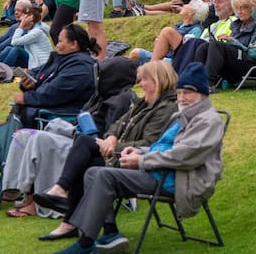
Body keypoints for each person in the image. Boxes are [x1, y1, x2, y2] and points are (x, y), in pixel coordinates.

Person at [51, 62, 224, 254]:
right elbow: (164, 147)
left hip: (179, 180)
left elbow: (184, 156)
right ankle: (109, 233)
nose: (182, 98)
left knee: (103, 174)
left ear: (203, 94)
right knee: (93, 172)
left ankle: (85, 243)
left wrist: (141, 160)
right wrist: (140, 151)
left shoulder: (208, 121)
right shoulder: (183, 115)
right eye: (180, 92)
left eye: (188, 93)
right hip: (161, 171)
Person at [31, 61, 180, 240]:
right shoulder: (143, 103)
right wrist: (111, 138)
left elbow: (150, 143)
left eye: (144, 80)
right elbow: (117, 124)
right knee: (86, 160)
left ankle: (64, 200)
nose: (140, 84)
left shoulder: (166, 108)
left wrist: (113, 146)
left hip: (137, 161)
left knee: (85, 147)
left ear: (157, 81)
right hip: (121, 155)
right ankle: (77, 220)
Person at [13, 24, 98, 127]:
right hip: (52, 108)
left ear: (73, 44)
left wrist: (27, 98)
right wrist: (28, 82)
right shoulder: (62, 59)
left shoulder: (80, 67)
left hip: (64, 115)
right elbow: (37, 72)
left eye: (60, 41)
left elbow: (54, 93)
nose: (57, 45)